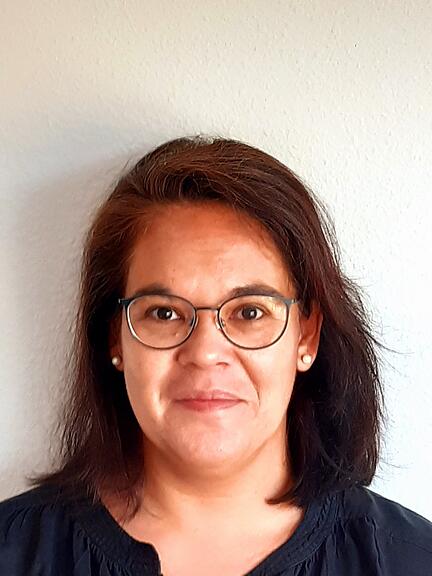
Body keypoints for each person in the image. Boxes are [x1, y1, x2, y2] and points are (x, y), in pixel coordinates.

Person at [0, 136, 431, 576]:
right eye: (164, 313)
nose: (205, 353)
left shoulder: (411, 560)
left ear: (306, 336)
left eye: (250, 312)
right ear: (116, 338)